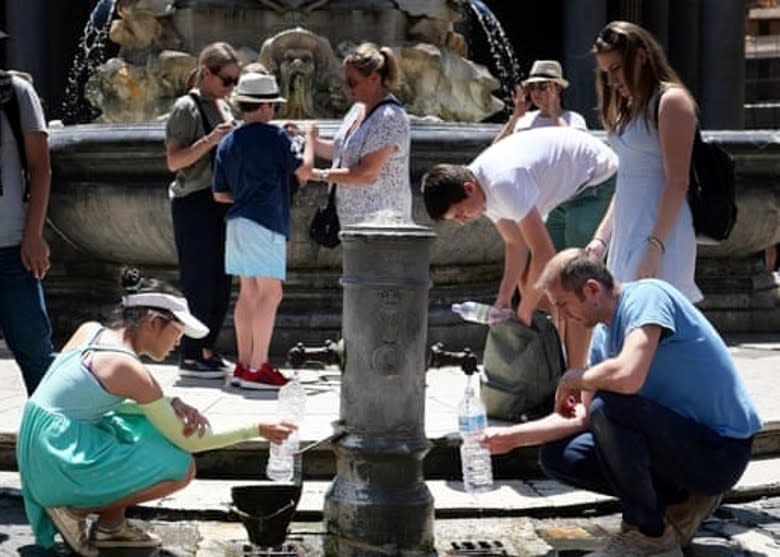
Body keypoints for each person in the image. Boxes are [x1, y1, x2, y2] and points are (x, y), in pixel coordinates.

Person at [483, 249, 762, 557]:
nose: (561, 317)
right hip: (682, 445)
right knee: (559, 455)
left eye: (563, 304)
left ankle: (649, 535)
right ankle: (675, 504)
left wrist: (578, 376)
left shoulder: (647, 297)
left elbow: (629, 376)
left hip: (720, 451)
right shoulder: (603, 335)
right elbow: (581, 417)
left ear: (591, 290)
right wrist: (510, 438)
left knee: (610, 408)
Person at [15, 268, 296, 556]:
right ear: (153, 322)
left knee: (136, 428)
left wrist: (169, 402)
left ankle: (111, 526)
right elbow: (190, 441)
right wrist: (257, 430)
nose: (179, 343)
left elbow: (71, 396)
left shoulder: (91, 331)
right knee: (180, 467)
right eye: (177, 332)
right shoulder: (128, 369)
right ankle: (73, 510)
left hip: (37, 447)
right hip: (55, 458)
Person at [421, 127, 617, 367]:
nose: (463, 221)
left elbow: (543, 254)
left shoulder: (503, 182)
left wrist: (524, 310)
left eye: (461, 213)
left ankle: (575, 378)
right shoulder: (480, 191)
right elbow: (516, 243)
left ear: (469, 188)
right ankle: (556, 365)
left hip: (596, 178)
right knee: (550, 289)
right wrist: (504, 296)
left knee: (574, 284)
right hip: (566, 192)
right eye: (456, 219)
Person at [584, 21, 702, 303]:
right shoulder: (625, 110)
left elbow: (678, 182)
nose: (611, 81)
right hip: (628, 230)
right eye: (605, 72)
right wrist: (601, 239)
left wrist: (654, 246)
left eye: (615, 69)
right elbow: (627, 180)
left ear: (641, 57)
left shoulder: (671, 101)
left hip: (659, 233)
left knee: (655, 322)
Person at [212, 73, 314, 388]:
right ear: (267, 106)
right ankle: (259, 367)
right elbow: (305, 172)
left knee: (248, 293)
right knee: (271, 293)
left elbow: (219, 194)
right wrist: (310, 137)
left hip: (237, 222)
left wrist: (246, 196)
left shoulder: (228, 141)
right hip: (266, 222)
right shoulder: (275, 137)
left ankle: (244, 365)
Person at [165, 41, 240, 378]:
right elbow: (174, 160)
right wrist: (210, 141)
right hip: (193, 201)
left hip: (220, 201)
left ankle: (208, 348)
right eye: (226, 80)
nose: (231, 88)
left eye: (235, 82)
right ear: (206, 73)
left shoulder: (223, 105)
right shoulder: (187, 107)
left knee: (221, 281)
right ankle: (191, 353)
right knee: (198, 281)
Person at [308, 42, 412, 226]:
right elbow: (341, 151)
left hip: (382, 224)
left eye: (352, 82)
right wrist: (308, 139)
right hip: (354, 224)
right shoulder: (357, 109)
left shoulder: (390, 117)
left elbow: (367, 173)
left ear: (374, 78)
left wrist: (317, 174)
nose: (348, 88)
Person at [0, 52, 55, 395]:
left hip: (11, 247)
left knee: (35, 352)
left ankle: (52, 437)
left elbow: (41, 168)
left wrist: (34, 235)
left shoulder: (16, 93)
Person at [493, 59, 587, 145]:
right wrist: (516, 116)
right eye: (532, 87)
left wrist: (555, 116)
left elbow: (575, 147)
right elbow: (494, 150)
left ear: (558, 88)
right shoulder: (523, 120)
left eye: (543, 86)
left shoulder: (573, 119)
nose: (536, 92)